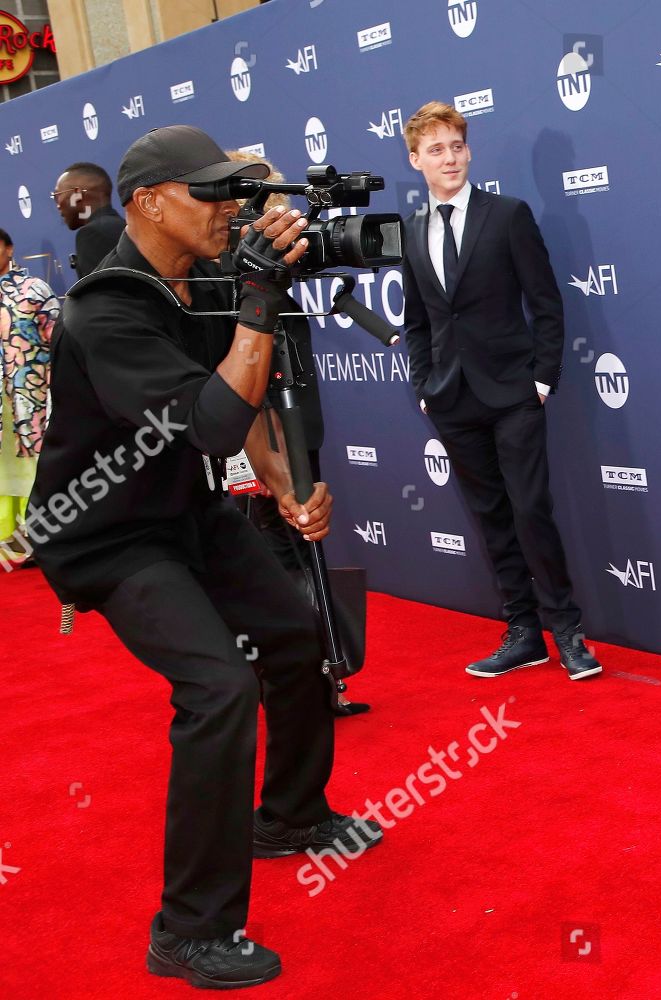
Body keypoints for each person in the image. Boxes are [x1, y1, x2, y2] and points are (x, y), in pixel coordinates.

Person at [25, 125, 382, 990]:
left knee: (297, 642)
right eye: (210, 192)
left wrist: (287, 486)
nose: (230, 208)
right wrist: (259, 299)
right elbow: (210, 421)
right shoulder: (104, 309)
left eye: (234, 190)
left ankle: (289, 816)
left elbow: (246, 410)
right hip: (107, 536)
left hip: (190, 509)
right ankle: (186, 930)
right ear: (148, 202)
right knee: (220, 687)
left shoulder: (210, 278)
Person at [400, 100, 602, 681]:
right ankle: (524, 632)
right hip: (451, 399)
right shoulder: (412, 232)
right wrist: (424, 384)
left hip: (514, 392)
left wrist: (542, 379)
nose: (450, 158)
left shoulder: (507, 215)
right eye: (436, 149)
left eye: (457, 146)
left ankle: (566, 630)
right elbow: (419, 321)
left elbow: (546, 303)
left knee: (530, 510)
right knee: (490, 517)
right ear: (416, 160)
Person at [222, 150, 370, 717]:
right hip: (251, 427)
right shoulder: (227, 270)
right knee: (263, 551)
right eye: (255, 194)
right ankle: (283, 677)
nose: (272, 204)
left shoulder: (281, 257)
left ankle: (320, 676)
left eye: (273, 193)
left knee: (303, 546)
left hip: (296, 416)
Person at [0, 228, 59, 567]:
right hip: (4, 404)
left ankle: (39, 539)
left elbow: (59, 342)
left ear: (9, 248)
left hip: (34, 397)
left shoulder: (34, 290)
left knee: (36, 468)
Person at [52, 161, 127, 278]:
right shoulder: (121, 226)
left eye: (57, 196)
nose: (57, 205)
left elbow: (100, 294)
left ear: (77, 195)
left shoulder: (92, 234)